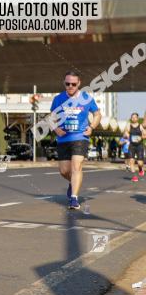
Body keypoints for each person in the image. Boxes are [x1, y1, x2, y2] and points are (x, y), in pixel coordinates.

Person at [50, 70, 101, 210]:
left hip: (80, 137)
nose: (70, 86)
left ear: (79, 83)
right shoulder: (58, 99)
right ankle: (73, 183)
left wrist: (92, 127)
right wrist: (56, 129)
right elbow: (52, 118)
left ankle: (74, 199)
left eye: (73, 84)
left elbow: (97, 114)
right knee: (64, 171)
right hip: (63, 139)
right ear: (64, 83)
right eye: (67, 84)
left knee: (76, 166)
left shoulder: (86, 98)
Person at [123, 113, 145, 182]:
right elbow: (125, 134)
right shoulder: (128, 125)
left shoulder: (141, 126)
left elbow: (145, 135)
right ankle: (134, 176)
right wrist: (126, 134)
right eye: (132, 117)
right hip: (132, 146)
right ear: (131, 118)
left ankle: (140, 169)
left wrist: (140, 137)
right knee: (131, 161)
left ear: (137, 118)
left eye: (135, 117)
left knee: (140, 163)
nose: (134, 118)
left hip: (139, 146)